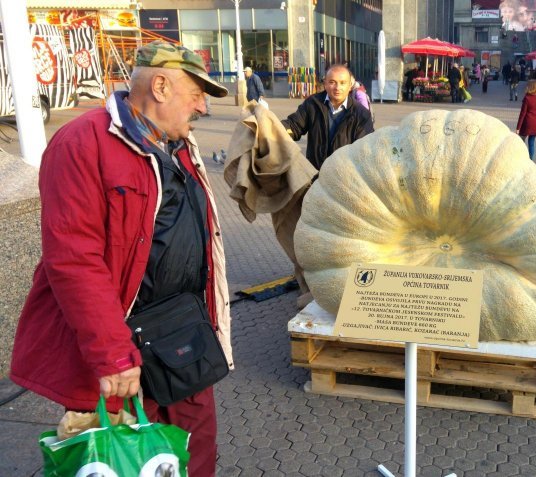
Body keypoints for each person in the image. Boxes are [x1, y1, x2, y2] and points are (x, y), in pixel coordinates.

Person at [9, 41, 232, 476]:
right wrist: (112, 353)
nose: (203, 107)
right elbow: (74, 258)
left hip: (184, 338)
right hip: (125, 345)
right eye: (197, 94)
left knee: (196, 454)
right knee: (121, 462)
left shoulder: (180, 145)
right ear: (162, 86)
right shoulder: (83, 142)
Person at [282, 64, 374, 170]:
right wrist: (270, 127)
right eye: (332, 82)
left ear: (350, 86)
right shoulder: (313, 104)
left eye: (343, 83)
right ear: (325, 84)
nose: (337, 87)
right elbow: (294, 126)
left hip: (344, 178)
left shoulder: (361, 114)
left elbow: (364, 150)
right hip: (315, 175)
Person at [515, 80, 536, 160]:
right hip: (535, 123)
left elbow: (522, 114)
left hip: (526, 123)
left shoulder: (527, 98)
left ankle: (521, 158)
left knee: (521, 142)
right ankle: (531, 160)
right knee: (531, 143)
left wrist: (518, 128)